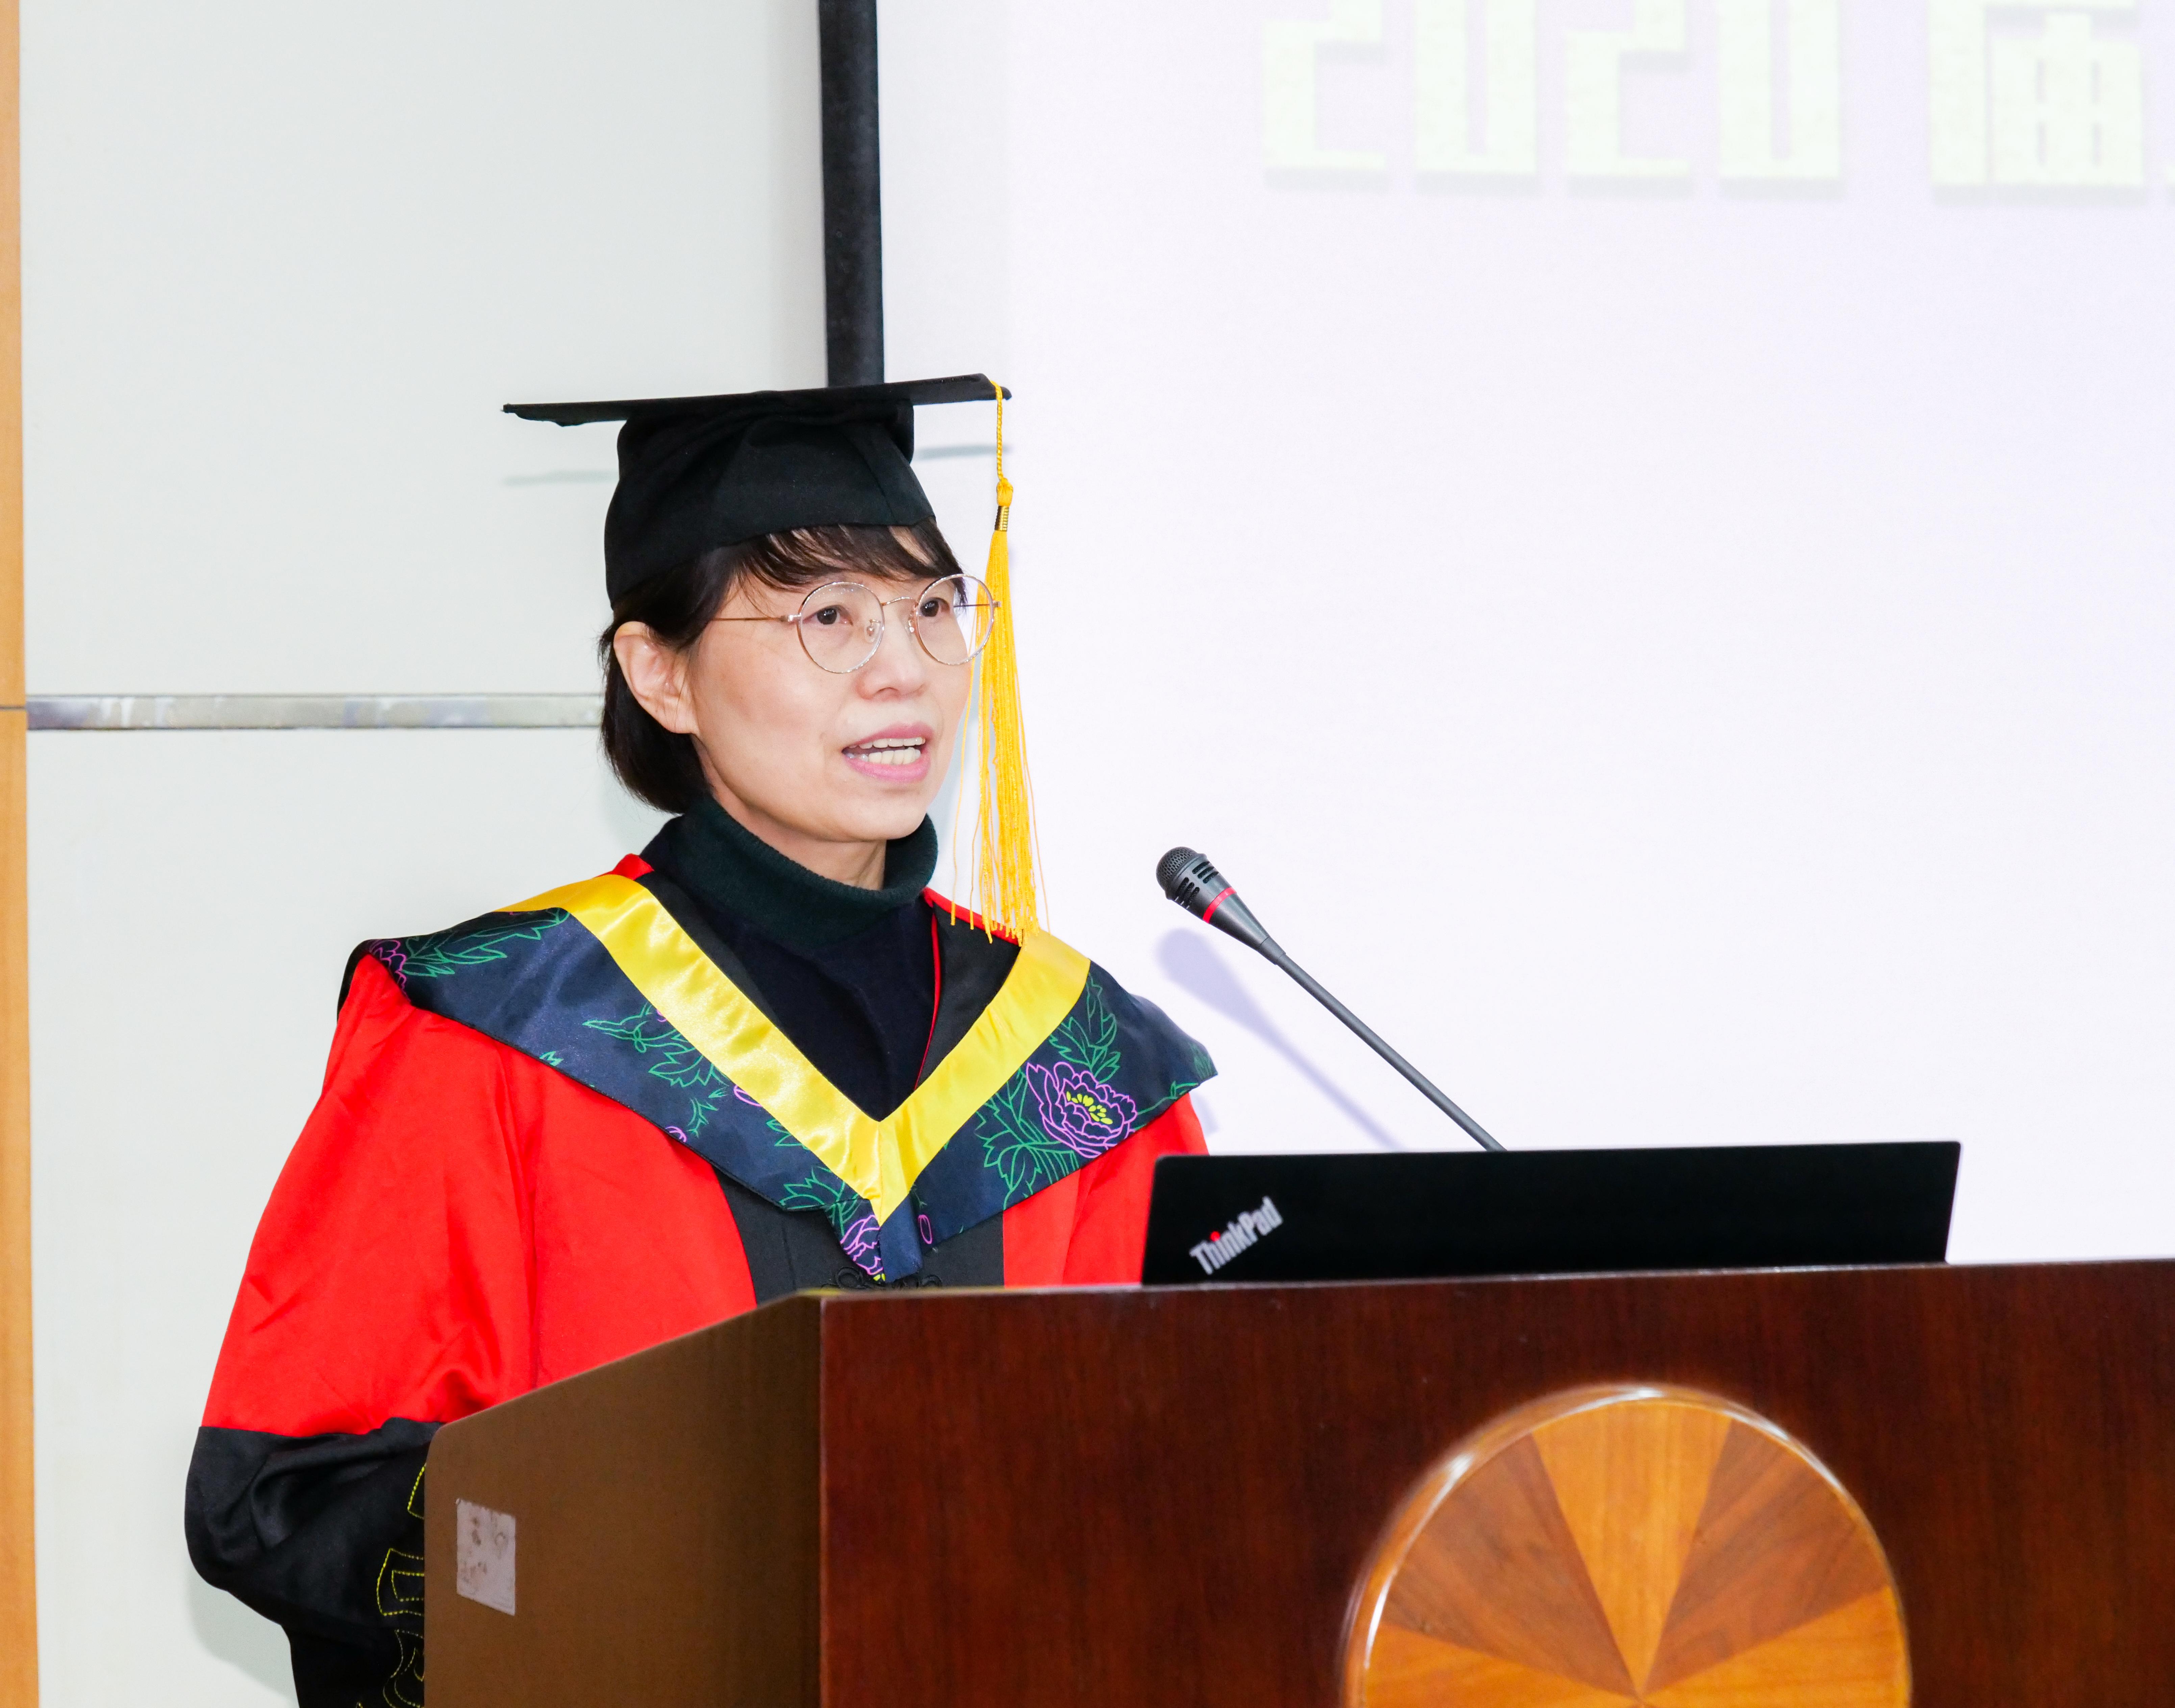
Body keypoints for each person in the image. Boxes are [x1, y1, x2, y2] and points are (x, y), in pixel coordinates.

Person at [184, 376, 1215, 1708]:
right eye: (827, 616)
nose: (902, 666)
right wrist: (650, 1566)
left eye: (931, 608)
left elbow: (1201, 1468)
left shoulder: (1079, 1061)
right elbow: (293, 1494)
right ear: (658, 674)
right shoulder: (495, 1030)